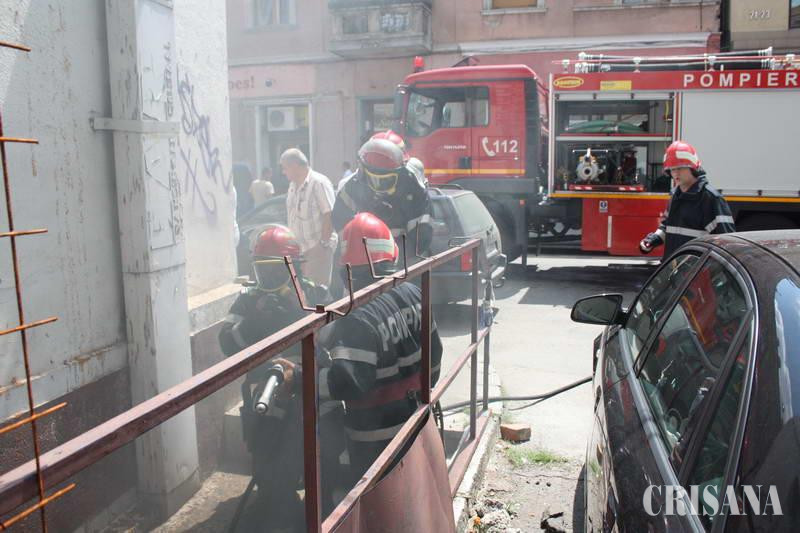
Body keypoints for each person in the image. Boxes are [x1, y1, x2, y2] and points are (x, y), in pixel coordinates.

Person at [280, 213, 443, 481]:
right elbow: (434, 360)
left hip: (375, 442)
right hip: (419, 422)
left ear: (347, 269)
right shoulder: (415, 293)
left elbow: (347, 382)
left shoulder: (357, 316)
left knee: (375, 501)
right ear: (391, 255)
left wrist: (298, 378)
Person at [218, 225, 344, 529]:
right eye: (263, 270)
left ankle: (321, 512)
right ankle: (277, 508)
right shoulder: (248, 300)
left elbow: (333, 336)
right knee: (270, 470)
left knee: (322, 465)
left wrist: (300, 314)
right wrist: (254, 321)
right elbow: (227, 344)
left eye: (276, 270)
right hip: (267, 399)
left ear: (294, 269)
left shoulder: (316, 293)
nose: (269, 277)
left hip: (311, 396)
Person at [332, 132, 432, 262]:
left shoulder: (414, 190)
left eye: (386, 180)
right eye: (372, 179)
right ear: (363, 172)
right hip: (362, 262)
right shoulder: (352, 187)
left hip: (404, 263)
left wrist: (395, 263)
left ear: (401, 173)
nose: (378, 187)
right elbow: (340, 222)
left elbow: (420, 239)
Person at [640, 141, 735, 260]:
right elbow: (667, 227)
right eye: (672, 169)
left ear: (692, 168)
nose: (675, 173)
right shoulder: (676, 195)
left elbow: (725, 244)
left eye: (680, 168)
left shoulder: (710, 199)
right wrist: (653, 240)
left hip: (697, 269)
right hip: (674, 266)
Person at [283, 148, 338, 288]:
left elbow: (329, 214)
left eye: (285, 168)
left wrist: (323, 245)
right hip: (299, 251)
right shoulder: (292, 185)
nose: (283, 172)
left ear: (294, 165)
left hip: (316, 248)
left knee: (316, 293)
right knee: (303, 294)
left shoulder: (319, 182)